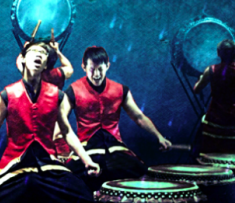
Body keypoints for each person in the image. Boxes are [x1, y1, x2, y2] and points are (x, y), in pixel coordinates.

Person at [0, 41, 99, 203]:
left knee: (83, 198)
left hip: (48, 164)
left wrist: (87, 160)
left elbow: (67, 132)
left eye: (43, 53)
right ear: (22, 60)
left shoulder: (57, 95)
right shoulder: (8, 94)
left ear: (46, 64)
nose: (38, 55)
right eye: (33, 52)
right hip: (13, 165)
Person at [64, 46, 172, 191]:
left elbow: (138, 117)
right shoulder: (72, 91)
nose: (96, 74)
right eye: (92, 69)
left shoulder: (120, 90)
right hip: (86, 147)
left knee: (141, 174)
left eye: (100, 69)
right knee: (68, 180)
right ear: (83, 67)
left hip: (115, 146)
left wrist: (159, 136)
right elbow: (61, 122)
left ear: (108, 66)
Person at [16, 37, 75, 157]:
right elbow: (69, 68)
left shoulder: (32, 74)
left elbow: (19, 62)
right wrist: (57, 51)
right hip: (54, 110)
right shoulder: (57, 74)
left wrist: (26, 50)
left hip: (38, 111)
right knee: (58, 134)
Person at [193, 39, 235, 153]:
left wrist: (200, 79)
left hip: (216, 116)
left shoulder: (211, 70)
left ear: (219, 53)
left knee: (210, 151)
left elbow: (196, 90)